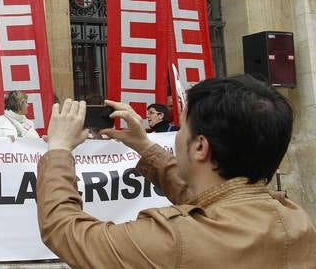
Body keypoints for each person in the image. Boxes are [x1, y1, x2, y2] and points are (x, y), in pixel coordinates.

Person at [37, 75, 316, 267]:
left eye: (183, 128)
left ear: (200, 147)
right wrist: (144, 146)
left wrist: (59, 149)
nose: (177, 136)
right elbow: (211, 201)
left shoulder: (173, 239)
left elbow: (66, 231)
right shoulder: (296, 221)